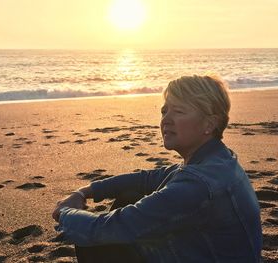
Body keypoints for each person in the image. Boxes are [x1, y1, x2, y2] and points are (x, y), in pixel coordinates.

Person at [52, 74, 263, 263]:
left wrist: (64, 213)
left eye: (179, 111)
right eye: (164, 111)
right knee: (130, 195)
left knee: (95, 239)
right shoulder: (217, 159)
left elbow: (107, 228)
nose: (166, 120)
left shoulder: (198, 182)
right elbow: (146, 179)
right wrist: (85, 191)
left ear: (210, 124)